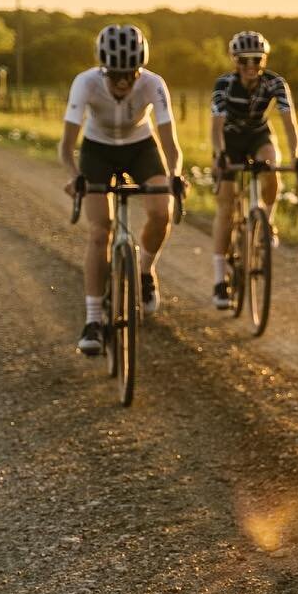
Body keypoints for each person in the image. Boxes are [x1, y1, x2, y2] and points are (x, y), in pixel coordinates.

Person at [58, 24, 184, 353]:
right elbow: (66, 145)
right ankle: (93, 320)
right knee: (101, 231)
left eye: (130, 74)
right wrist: (74, 176)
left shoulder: (154, 84)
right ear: (104, 69)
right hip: (97, 149)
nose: (124, 82)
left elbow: (170, 143)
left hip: (140, 147)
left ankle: (144, 270)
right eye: (116, 75)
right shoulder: (85, 83)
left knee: (161, 211)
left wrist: (175, 174)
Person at [208, 30, 298, 308]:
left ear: (264, 60)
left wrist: (297, 154)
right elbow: (216, 129)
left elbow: (289, 123)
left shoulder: (275, 83)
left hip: (259, 134)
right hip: (230, 138)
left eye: (256, 60)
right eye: (244, 60)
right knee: (225, 207)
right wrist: (220, 155)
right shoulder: (224, 84)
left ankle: (266, 222)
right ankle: (218, 279)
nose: (251, 66)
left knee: (271, 169)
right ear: (234, 61)